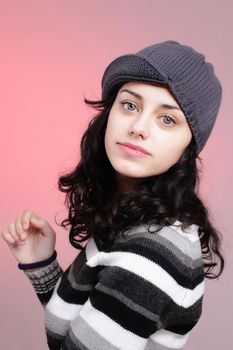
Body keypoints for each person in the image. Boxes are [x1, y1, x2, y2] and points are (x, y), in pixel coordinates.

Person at [1, 40, 224, 350]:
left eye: (168, 119)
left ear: (188, 147)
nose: (138, 127)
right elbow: (82, 328)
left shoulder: (150, 251)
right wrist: (41, 266)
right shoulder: (136, 218)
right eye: (130, 105)